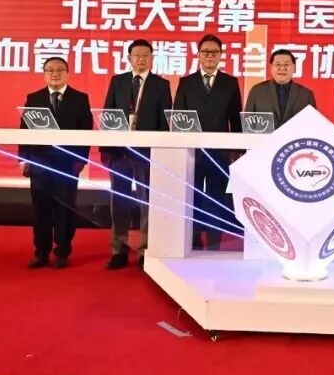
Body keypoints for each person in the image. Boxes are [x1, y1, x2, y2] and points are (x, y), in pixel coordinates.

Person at [101, 39, 172, 270]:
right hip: (119, 152)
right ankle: (118, 250)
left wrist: (160, 152)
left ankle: (145, 251)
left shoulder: (161, 85)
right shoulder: (118, 81)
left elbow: (165, 123)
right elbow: (108, 114)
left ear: (151, 58)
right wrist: (105, 149)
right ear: (129, 58)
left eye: (145, 55)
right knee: (118, 202)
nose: (141, 59)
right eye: (136, 55)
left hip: (147, 153)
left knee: (147, 202)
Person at [18, 56, 93, 269]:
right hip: (40, 163)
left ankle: (62, 252)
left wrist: (81, 159)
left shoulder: (80, 99)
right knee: (41, 209)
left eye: (60, 69)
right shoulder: (34, 98)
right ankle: (41, 253)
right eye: (50, 69)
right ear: (44, 74)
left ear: (67, 73)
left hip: (67, 164)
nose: (55, 73)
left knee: (64, 209)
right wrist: (23, 159)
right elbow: (24, 131)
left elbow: (86, 131)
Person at [174, 34, 242, 251]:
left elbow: (235, 119)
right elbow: (178, 117)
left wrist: (237, 150)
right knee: (191, 195)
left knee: (216, 198)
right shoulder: (186, 82)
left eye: (214, 52)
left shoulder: (230, 83)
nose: (210, 56)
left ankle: (214, 242)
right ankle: (193, 239)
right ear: (199, 55)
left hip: (220, 152)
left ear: (220, 55)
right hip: (191, 152)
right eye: (205, 52)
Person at [244, 49, 317, 126]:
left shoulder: (306, 95)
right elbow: (247, 124)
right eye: (278, 64)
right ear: (271, 67)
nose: (282, 68)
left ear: (294, 67)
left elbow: (312, 125)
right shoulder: (257, 91)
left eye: (286, 64)